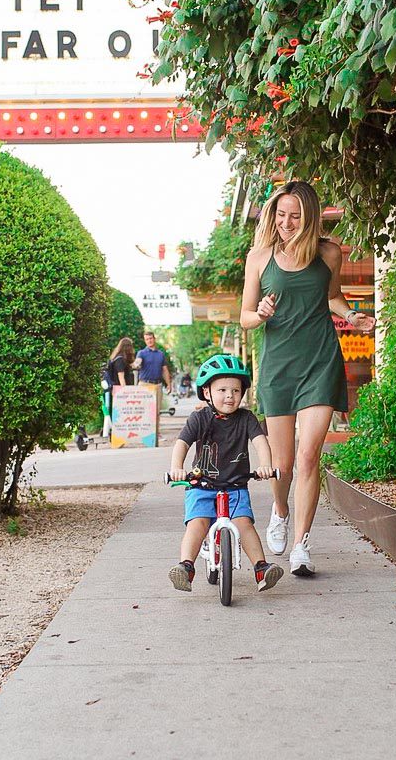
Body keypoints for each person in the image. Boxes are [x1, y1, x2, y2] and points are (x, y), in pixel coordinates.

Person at [240, 180, 376, 577]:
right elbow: (245, 318)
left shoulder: (329, 253)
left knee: (308, 455)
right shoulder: (259, 258)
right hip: (279, 364)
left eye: (295, 216)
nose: (286, 222)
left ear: (310, 217)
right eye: (281, 214)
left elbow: (333, 296)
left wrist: (351, 317)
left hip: (320, 359)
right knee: (282, 463)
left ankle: (301, 544)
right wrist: (261, 313)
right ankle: (280, 510)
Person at [167, 354, 284, 593]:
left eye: (236, 391)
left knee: (244, 524)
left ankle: (261, 568)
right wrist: (177, 468)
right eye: (222, 390)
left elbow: (261, 442)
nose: (230, 396)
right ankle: (186, 567)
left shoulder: (247, 418)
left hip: (236, 486)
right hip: (202, 486)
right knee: (197, 523)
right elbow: (182, 443)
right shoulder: (199, 418)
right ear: (207, 392)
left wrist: (265, 465)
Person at [103, 337, 136, 437]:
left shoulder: (116, 358)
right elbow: (121, 377)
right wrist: (125, 392)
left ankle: (115, 433)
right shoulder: (120, 360)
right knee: (121, 413)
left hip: (115, 390)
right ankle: (118, 434)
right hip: (119, 391)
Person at [135, 331, 171, 412]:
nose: (149, 341)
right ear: (145, 341)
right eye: (147, 339)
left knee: (156, 411)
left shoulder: (160, 354)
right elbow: (138, 361)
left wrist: (168, 384)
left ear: (154, 339)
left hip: (158, 385)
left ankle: (156, 425)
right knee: (144, 410)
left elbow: (165, 370)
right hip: (145, 384)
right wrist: (136, 364)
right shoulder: (141, 353)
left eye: (150, 338)